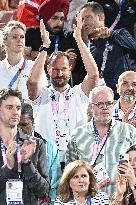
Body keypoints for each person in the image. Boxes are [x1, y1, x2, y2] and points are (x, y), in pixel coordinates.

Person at [27, 13, 99, 169]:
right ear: (48, 69)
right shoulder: (42, 95)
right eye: (55, 69)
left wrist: (79, 39)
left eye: (64, 69)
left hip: (74, 160)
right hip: (45, 161)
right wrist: (45, 46)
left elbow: (93, 75)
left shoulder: (78, 94)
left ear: (70, 69)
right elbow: (32, 81)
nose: (59, 73)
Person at [66, 86, 136, 197]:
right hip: (88, 200)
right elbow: (69, 175)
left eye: (109, 103)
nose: (105, 107)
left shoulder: (130, 132)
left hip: (122, 199)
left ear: (113, 105)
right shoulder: (77, 135)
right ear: (91, 106)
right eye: (100, 104)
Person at [0, 89, 49, 205]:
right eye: (9, 107)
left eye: (18, 108)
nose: (15, 112)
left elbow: (44, 191)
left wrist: (27, 163)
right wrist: (8, 167)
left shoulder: (35, 144)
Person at [79, 1, 136, 99]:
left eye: (88, 17)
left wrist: (110, 34)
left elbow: (134, 47)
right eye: (82, 19)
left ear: (100, 17)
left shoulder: (119, 34)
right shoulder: (86, 46)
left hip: (120, 97)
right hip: (97, 98)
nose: (85, 22)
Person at [18, 102, 62, 205]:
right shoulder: (6, 145)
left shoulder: (49, 147)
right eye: (16, 125)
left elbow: (54, 186)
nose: (19, 130)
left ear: (32, 122)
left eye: (24, 124)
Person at [0, 20, 48, 100]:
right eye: (14, 37)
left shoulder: (34, 66)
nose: (19, 40)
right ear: (5, 42)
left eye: (22, 37)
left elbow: (43, 96)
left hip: (29, 111)